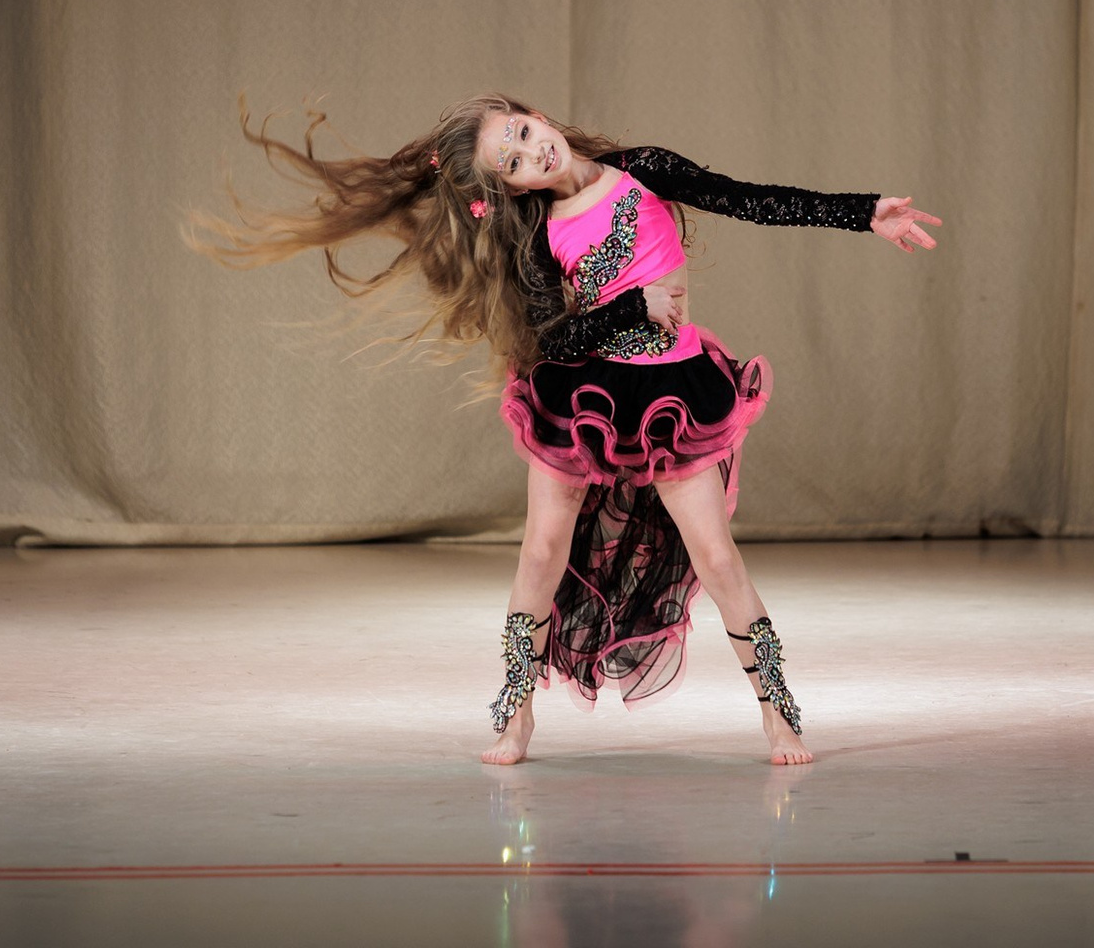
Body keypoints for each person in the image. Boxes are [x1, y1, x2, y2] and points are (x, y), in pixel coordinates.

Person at [186, 93, 941, 765]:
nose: (530, 154)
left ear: (536, 115)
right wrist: (631, 307)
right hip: (582, 399)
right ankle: (515, 711)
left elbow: (746, 199)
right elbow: (552, 339)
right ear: (509, 189)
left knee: (717, 557)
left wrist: (861, 212)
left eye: (521, 133)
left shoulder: (641, 170)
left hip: (673, 391)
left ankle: (778, 710)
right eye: (511, 164)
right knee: (542, 551)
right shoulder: (537, 233)